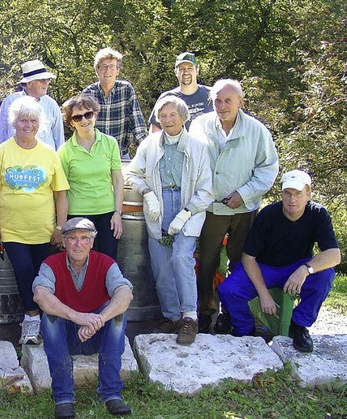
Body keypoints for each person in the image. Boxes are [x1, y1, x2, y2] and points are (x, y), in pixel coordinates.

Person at [189, 79, 279, 333]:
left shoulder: (256, 130)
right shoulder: (199, 126)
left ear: (240, 101)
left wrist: (244, 193)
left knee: (240, 263)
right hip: (210, 208)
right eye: (217, 100)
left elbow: (268, 168)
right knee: (206, 262)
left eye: (228, 100)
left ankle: (233, 313)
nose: (222, 105)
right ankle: (205, 312)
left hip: (244, 208)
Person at [0, 95, 69, 345]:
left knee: (43, 275)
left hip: (44, 230)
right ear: (14, 123)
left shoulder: (49, 154)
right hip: (12, 230)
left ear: (39, 124)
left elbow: (61, 195)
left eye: (32, 121)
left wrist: (60, 228)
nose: (28, 125)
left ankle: (47, 321)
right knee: (24, 272)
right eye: (22, 121)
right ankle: (31, 320)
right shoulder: (3, 152)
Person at [218, 170, 341, 352]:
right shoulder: (268, 215)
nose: (292, 200)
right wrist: (264, 294)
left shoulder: (318, 214)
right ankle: (245, 330)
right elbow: (248, 257)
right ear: (281, 194)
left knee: (325, 275)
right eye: (288, 193)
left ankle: (298, 326)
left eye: (298, 194)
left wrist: (304, 270)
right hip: (264, 266)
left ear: (308, 194)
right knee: (228, 290)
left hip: (297, 266)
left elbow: (334, 255)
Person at [125, 96, 213, 345]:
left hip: (188, 206)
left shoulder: (198, 147)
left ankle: (189, 318)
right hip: (158, 208)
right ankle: (172, 316)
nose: (167, 120)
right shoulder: (150, 144)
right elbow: (132, 173)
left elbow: (207, 190)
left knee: (181, 258)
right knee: (162, 267)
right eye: (162, 116)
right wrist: (148, 194)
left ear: (183, 117)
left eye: (172, 115)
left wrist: (186, 212)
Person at [33, 217, 133, 418]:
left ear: (92, 242)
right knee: (50, 319)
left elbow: (125, 293)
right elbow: (40, 295)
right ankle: (63, 397)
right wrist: (78, 317)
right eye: (72, 238)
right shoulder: (50, 264)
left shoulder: (106, 263)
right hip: (66, 337)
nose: (78, 244)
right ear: (64, 241)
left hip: (96, 336)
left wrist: (98, 320)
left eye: (85, 238)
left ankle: (111, 393)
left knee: (118, 315)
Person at [58, 94, 123, 260]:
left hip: (107, 213)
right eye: (78, 117)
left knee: (108, 260)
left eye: (88, 114)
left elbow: (117, 179)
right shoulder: (64, 151)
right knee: (79, 261)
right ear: (71, 122)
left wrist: (118, 213)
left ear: (95, 114)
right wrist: (62, 226)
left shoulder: (110, 143)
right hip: (77, 214)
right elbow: (61, 191)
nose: (84, 120)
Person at [83, 48, 147, 157]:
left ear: (118, 70)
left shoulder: (126, 89)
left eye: (112, 66)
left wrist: (145, 148)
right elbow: (83, 126)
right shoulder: (88, 93)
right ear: (97, 70)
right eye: (104, 66)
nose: (108, 70)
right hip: (94, 155)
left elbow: (137, 122)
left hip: (120, 153)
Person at [0, 59, 64, 150]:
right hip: (15, 160)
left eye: (48, 80)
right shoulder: (9, 102)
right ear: (29, 83)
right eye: (42, 80)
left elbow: (59, 140)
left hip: (45, 161)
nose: (46, 83)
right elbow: (1, 137)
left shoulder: (52, 105)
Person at [148, 52, 212, 133]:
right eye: (181, 69)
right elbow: (154, 133)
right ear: (175, 72)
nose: (186, 72)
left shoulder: (212, 94)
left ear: (197, 70)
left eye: (190, 68)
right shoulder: (167, 98)